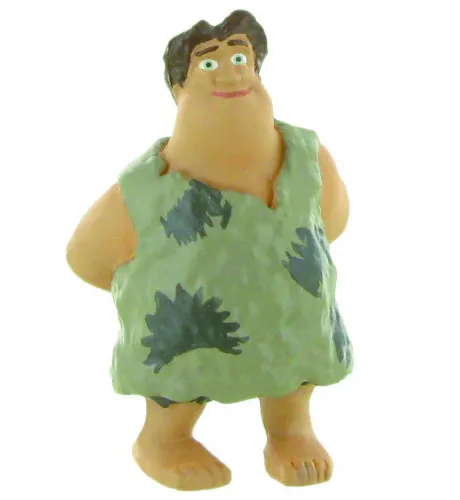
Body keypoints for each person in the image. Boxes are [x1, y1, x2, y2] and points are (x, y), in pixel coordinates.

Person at [67, 9, 353, 491]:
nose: (230, 72)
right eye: (207, 63)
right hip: (188, 329)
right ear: (178, 88)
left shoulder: (307, 156)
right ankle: (164, 439)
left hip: (293, 316)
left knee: (296, 368)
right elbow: (87, 255)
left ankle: (290, 431)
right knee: (179, 376)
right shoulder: (148, 184)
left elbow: (332, 220)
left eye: (241, 57)